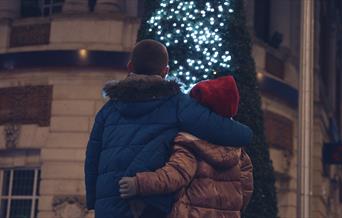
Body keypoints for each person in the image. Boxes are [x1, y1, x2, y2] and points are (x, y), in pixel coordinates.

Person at [84, 39, 253, 218]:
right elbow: (226, 132)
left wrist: (93, 200)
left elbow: (92, 158)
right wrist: (248, 133)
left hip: (109, 204)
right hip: (149, 205)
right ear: (166, 71)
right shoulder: (178, 104)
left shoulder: (107, 110)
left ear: (130, 66)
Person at [119, 76, 254, 218]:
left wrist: (139, 184)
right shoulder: (240, 154)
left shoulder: (190, 142)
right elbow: (245, 191)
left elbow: (175, 175)